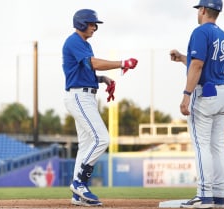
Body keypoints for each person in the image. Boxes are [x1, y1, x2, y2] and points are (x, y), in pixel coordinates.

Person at [62, 9, 138, 206]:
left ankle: (78, 196)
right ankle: (80, 182)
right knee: (102, 139)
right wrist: (121, 63)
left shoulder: (84, 44)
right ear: (80, 23)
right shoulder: (74, 42)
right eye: (91, 23)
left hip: (84, 94)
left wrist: (102, 79)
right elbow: (93, 63)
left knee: (86, 145)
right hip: (79, 96)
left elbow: (84, 71)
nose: (94, 27)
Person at [170, 0, 224, 208]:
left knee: (202, 145)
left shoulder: (200, 32)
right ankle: (219, 195)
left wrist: (186, 94)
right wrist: (181, 59)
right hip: (221, 92)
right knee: (218, 146)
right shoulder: (222, 34)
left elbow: (198, 64)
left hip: (204, 93)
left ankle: (204, 195)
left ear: (203, 10)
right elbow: (201, 62)